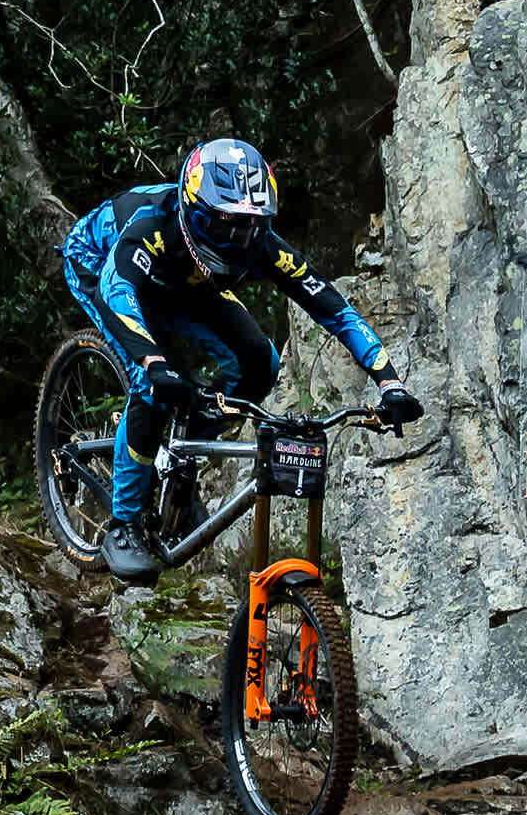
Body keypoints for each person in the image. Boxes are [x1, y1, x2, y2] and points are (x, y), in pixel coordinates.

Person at [56, 136, 421, 583]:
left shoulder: (262, 244)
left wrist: (389, 382)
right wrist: (154, 363)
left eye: (249, 226)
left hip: (187, 281)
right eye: (224, 224)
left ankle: (182, 463)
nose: (236, 238)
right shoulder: (153, 223)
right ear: (192, 209)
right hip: (102, 265)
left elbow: (334, 309)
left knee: (260, 363)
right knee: (151, 387)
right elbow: (116, 292)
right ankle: (124, 525)